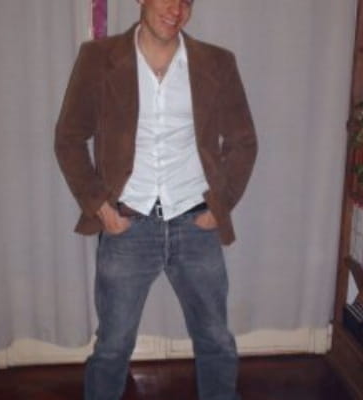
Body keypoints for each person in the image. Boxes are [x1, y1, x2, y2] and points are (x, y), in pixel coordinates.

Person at [55, 0, 257, 399]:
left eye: (186, 1)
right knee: (112, 346)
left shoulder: (217, 62)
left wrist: (220, 205)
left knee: (216, 339)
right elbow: (69, 139)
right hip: (127, 225)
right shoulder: (98, 58)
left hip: (195, 222)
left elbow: (243, 141)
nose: (176, 9)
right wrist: (100, 207)